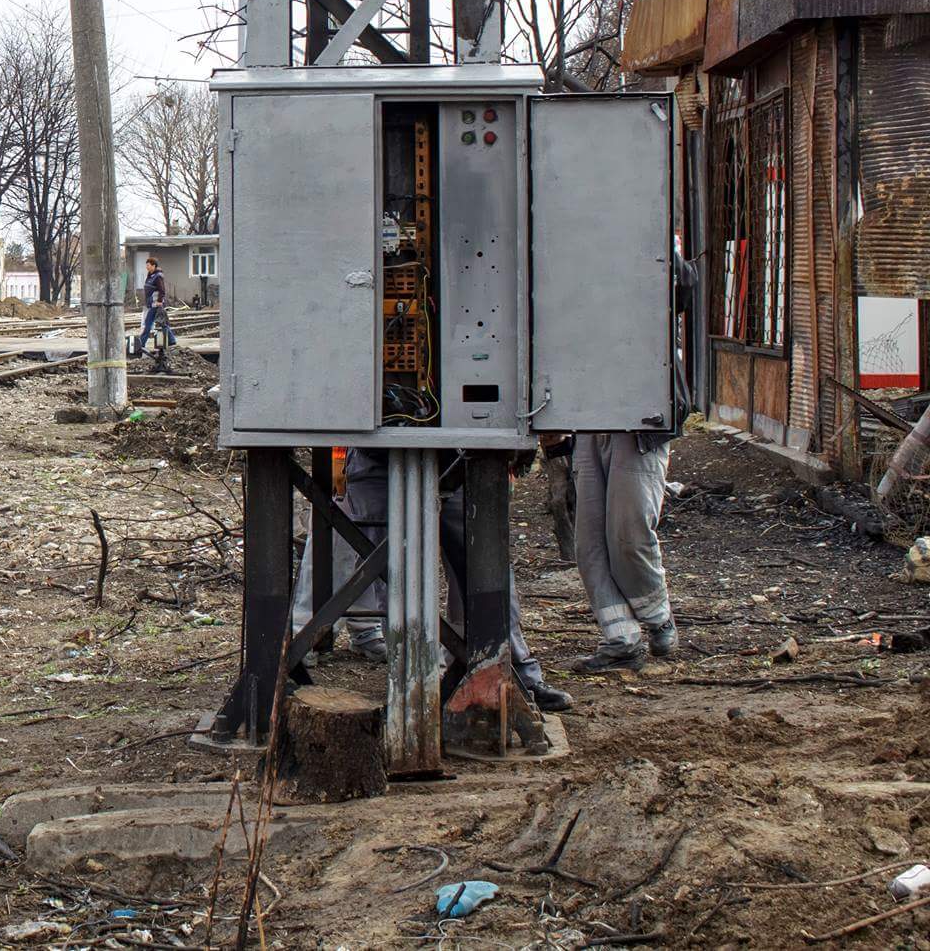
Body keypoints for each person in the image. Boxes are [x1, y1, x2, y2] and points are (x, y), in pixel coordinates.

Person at [288, 448, 574, 714]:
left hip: (460, 451)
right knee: (393, 575)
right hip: (375, 455)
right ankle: (410, 681)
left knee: (484, 564)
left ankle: (509, 670)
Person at [571, 259, 694, 671]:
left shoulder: (651, 253)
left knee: (629, 534)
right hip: (591, 421)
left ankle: (658, 619)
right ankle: (620, 637)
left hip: (639, 423)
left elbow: (684, 288)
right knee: (590, 543)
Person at [133, 256, 177, 356]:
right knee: (157, 324)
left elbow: (162, 290)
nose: (146, 267)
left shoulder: (158, 276)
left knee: (151, 323)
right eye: (146, 265)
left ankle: (142, 343)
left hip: (156, 304)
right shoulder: (150, 275)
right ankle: (172, 341)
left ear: (153, 266)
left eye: (148, 265)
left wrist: (160, 301)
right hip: (151, 304)